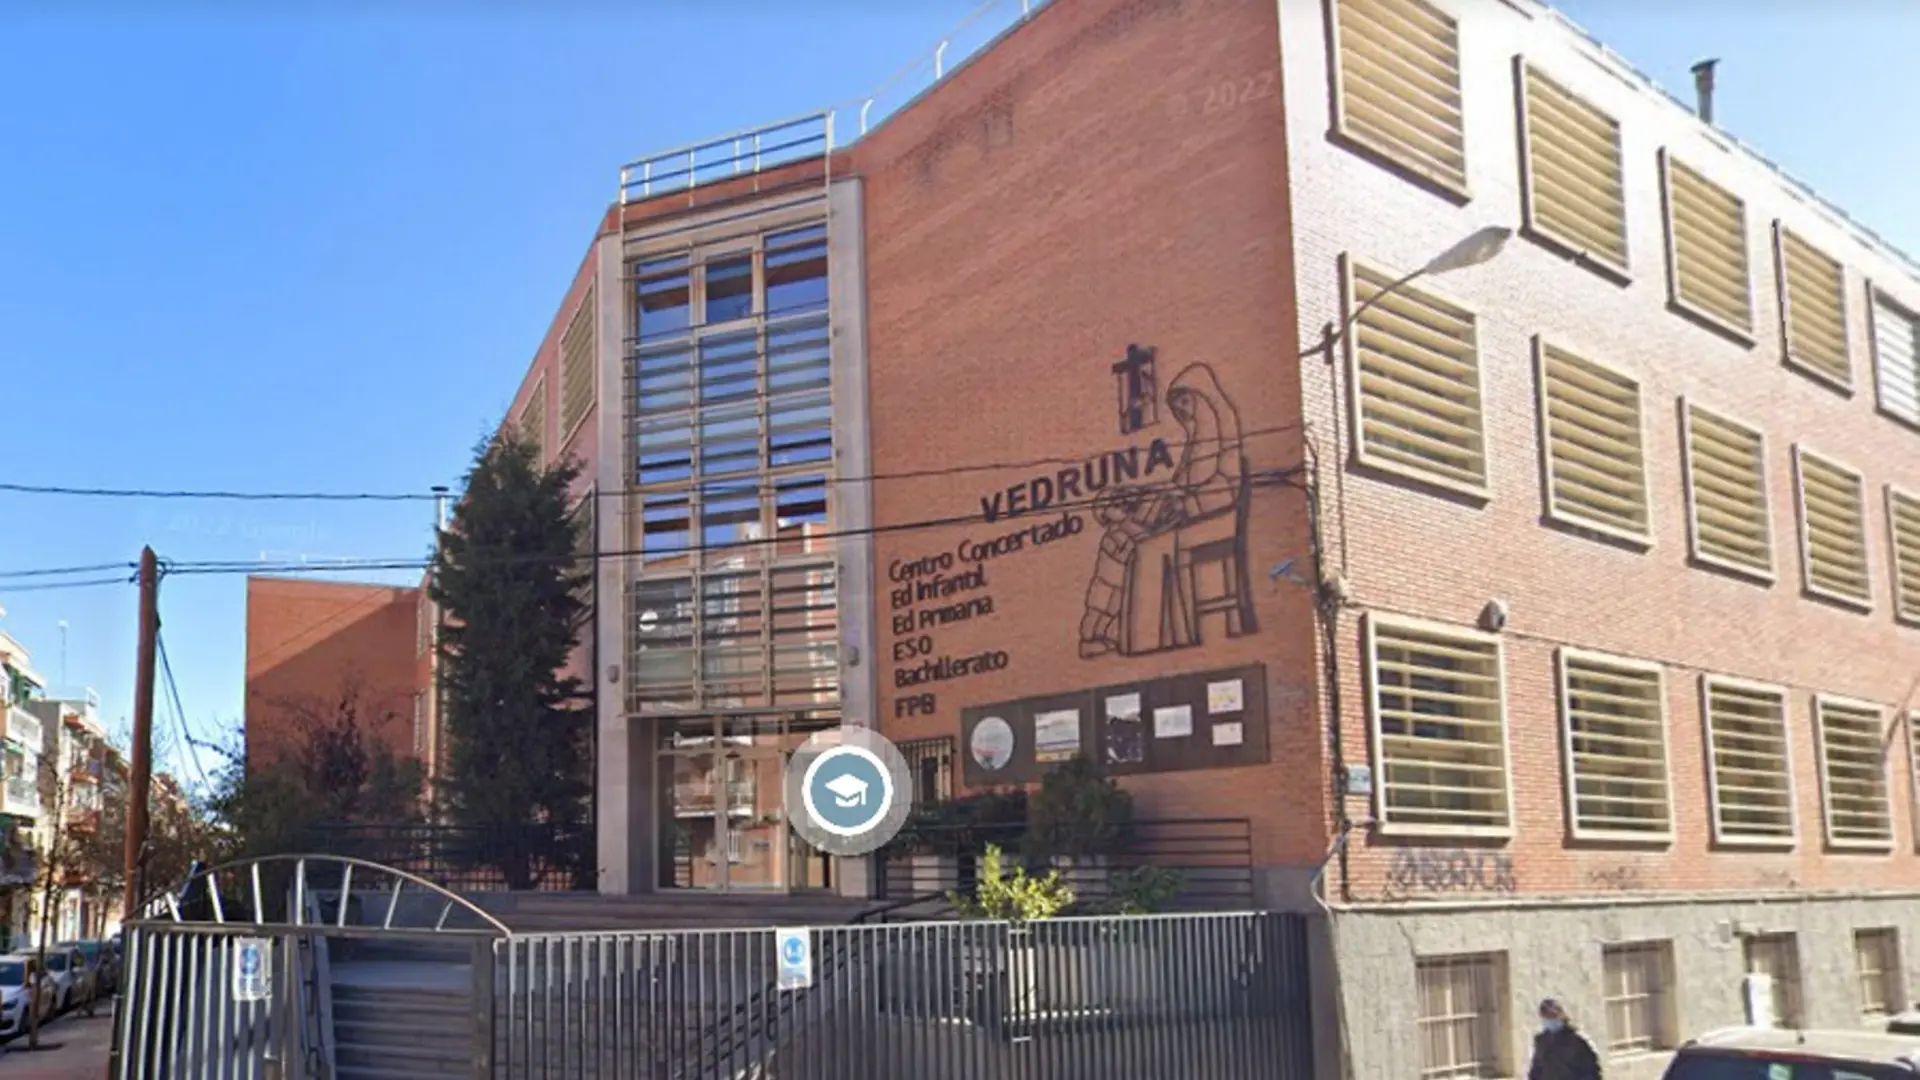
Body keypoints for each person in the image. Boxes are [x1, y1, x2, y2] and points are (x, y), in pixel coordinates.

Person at [1529, 998, 1602, 1080]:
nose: (1549, 1020)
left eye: (1552, 1015)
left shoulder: (1578, 1040)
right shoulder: (1541, 1041)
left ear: (1561, 1015)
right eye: (1546, 1016)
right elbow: (1536, 1071)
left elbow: (1592, 1071)